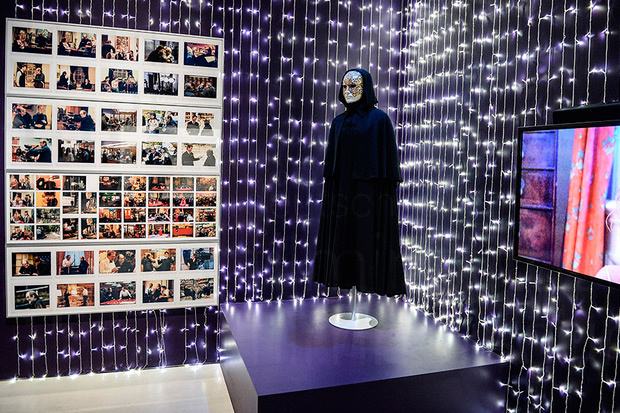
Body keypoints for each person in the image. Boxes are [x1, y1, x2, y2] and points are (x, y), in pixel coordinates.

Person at [312, 68, 406, 297]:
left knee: (366, 239)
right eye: (345, 86)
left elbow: (388, 166)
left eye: (354, 86)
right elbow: (332, 167)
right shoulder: (338, 122)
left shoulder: (380, 120)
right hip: (342, 194)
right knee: (342, 240)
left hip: (369, 195)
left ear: (366, 88)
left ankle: (369, 282)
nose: (348, 91)